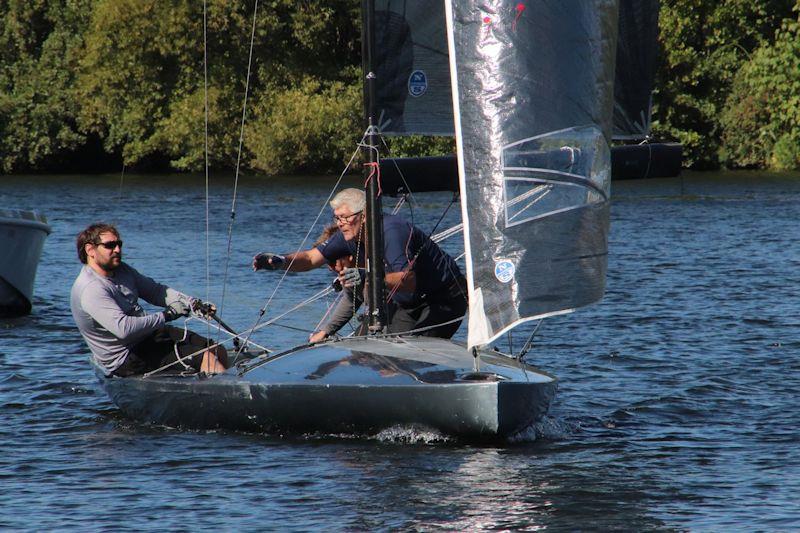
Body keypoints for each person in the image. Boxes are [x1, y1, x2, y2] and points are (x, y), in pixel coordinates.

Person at [253, 188, 466, 340]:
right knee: (378, 350)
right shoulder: (348, 236)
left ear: (364, 216)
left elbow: (407, 280)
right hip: (406, 303)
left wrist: (367, 277)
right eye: (336, 218)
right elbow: (309, 259)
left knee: (406, 355)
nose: (339, 224)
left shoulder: (392, 232)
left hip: (444, 298)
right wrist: (280, 261)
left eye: (344, 218)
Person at [70, 223, 228, 377]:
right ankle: (224, 400)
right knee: (206, 358)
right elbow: (123, 329)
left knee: (216, 349)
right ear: (90, 249)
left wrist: (193, 303)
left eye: (119, 244)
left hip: (148, 336)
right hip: (126, 357)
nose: (117, 250)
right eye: (110, 245)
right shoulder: (91, 288)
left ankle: (224, 391)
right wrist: (168, 315)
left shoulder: (122, 270)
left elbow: (156, 291)